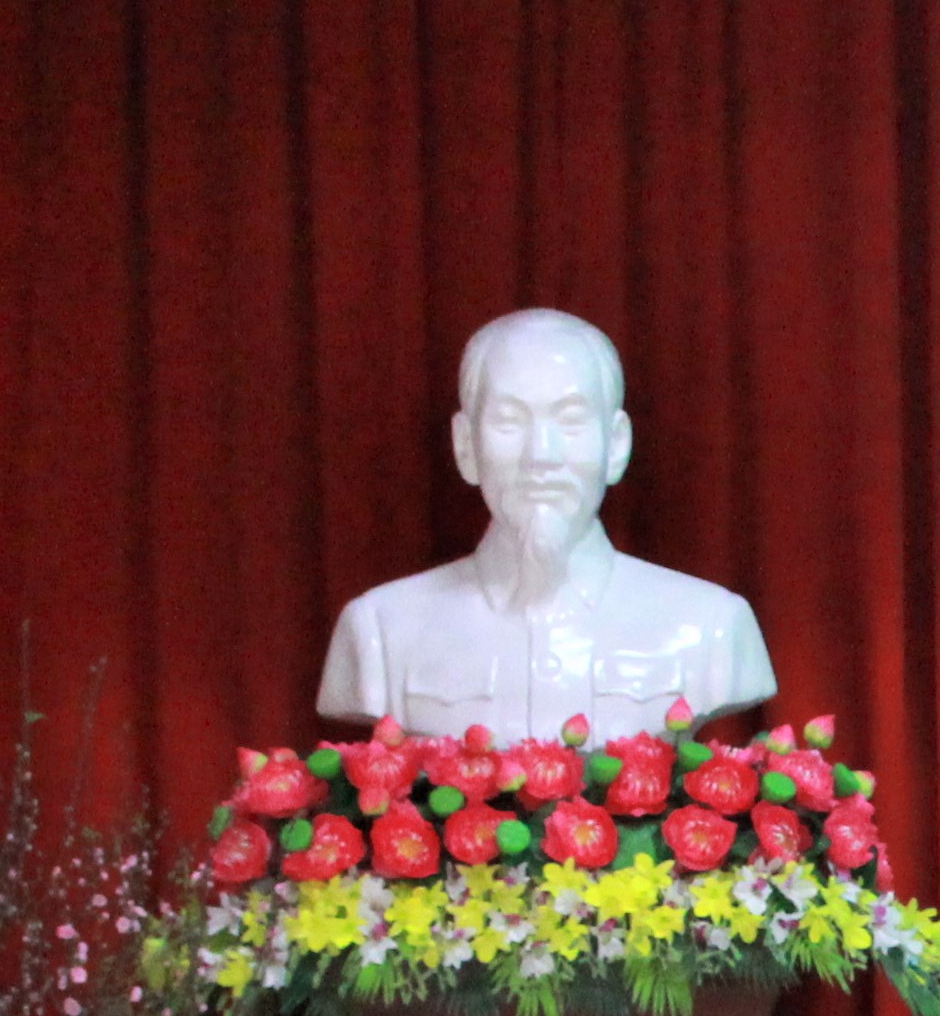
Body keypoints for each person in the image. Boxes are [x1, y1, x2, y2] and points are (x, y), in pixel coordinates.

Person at [318, 308, 773, 742]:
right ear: (466, 446)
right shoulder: (380, 630)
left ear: (616, 445)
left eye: (571, 421)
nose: (541, 455)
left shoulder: (712, 626)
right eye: (509, 421)